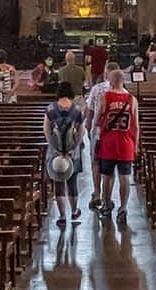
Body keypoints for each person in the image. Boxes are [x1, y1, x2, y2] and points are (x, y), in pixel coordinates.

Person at [93, 67, 139, 225]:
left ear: (111, 81)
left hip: (109, 143)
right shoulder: (132, 99)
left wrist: (97, 130)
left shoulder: (104, 97)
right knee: (125, 177)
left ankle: (107, 206)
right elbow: (136, 126)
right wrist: (136, 145)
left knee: (107, 177)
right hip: (126, 143)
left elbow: (96, 119)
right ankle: (123, 208)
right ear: (123, 81)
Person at [43, 81, 84, 226]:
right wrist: (75, 147)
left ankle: (62, 216)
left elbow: (46, 130)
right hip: (72, 151)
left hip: (56, 151)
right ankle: (74, 211)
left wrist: (53, 147)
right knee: (72, 183)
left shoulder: (50, 109)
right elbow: (81, 132)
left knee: (58, 183)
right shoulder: (77, 110)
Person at [84, 59, 120, 210]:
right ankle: (107, 197)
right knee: (110, 166)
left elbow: (90, 112)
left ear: (106, 73)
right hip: (114, 133)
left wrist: (88, 128)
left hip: (98, 132)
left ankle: (97, 193)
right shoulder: (124, 92)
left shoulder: (97, 89)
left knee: (96, 162)